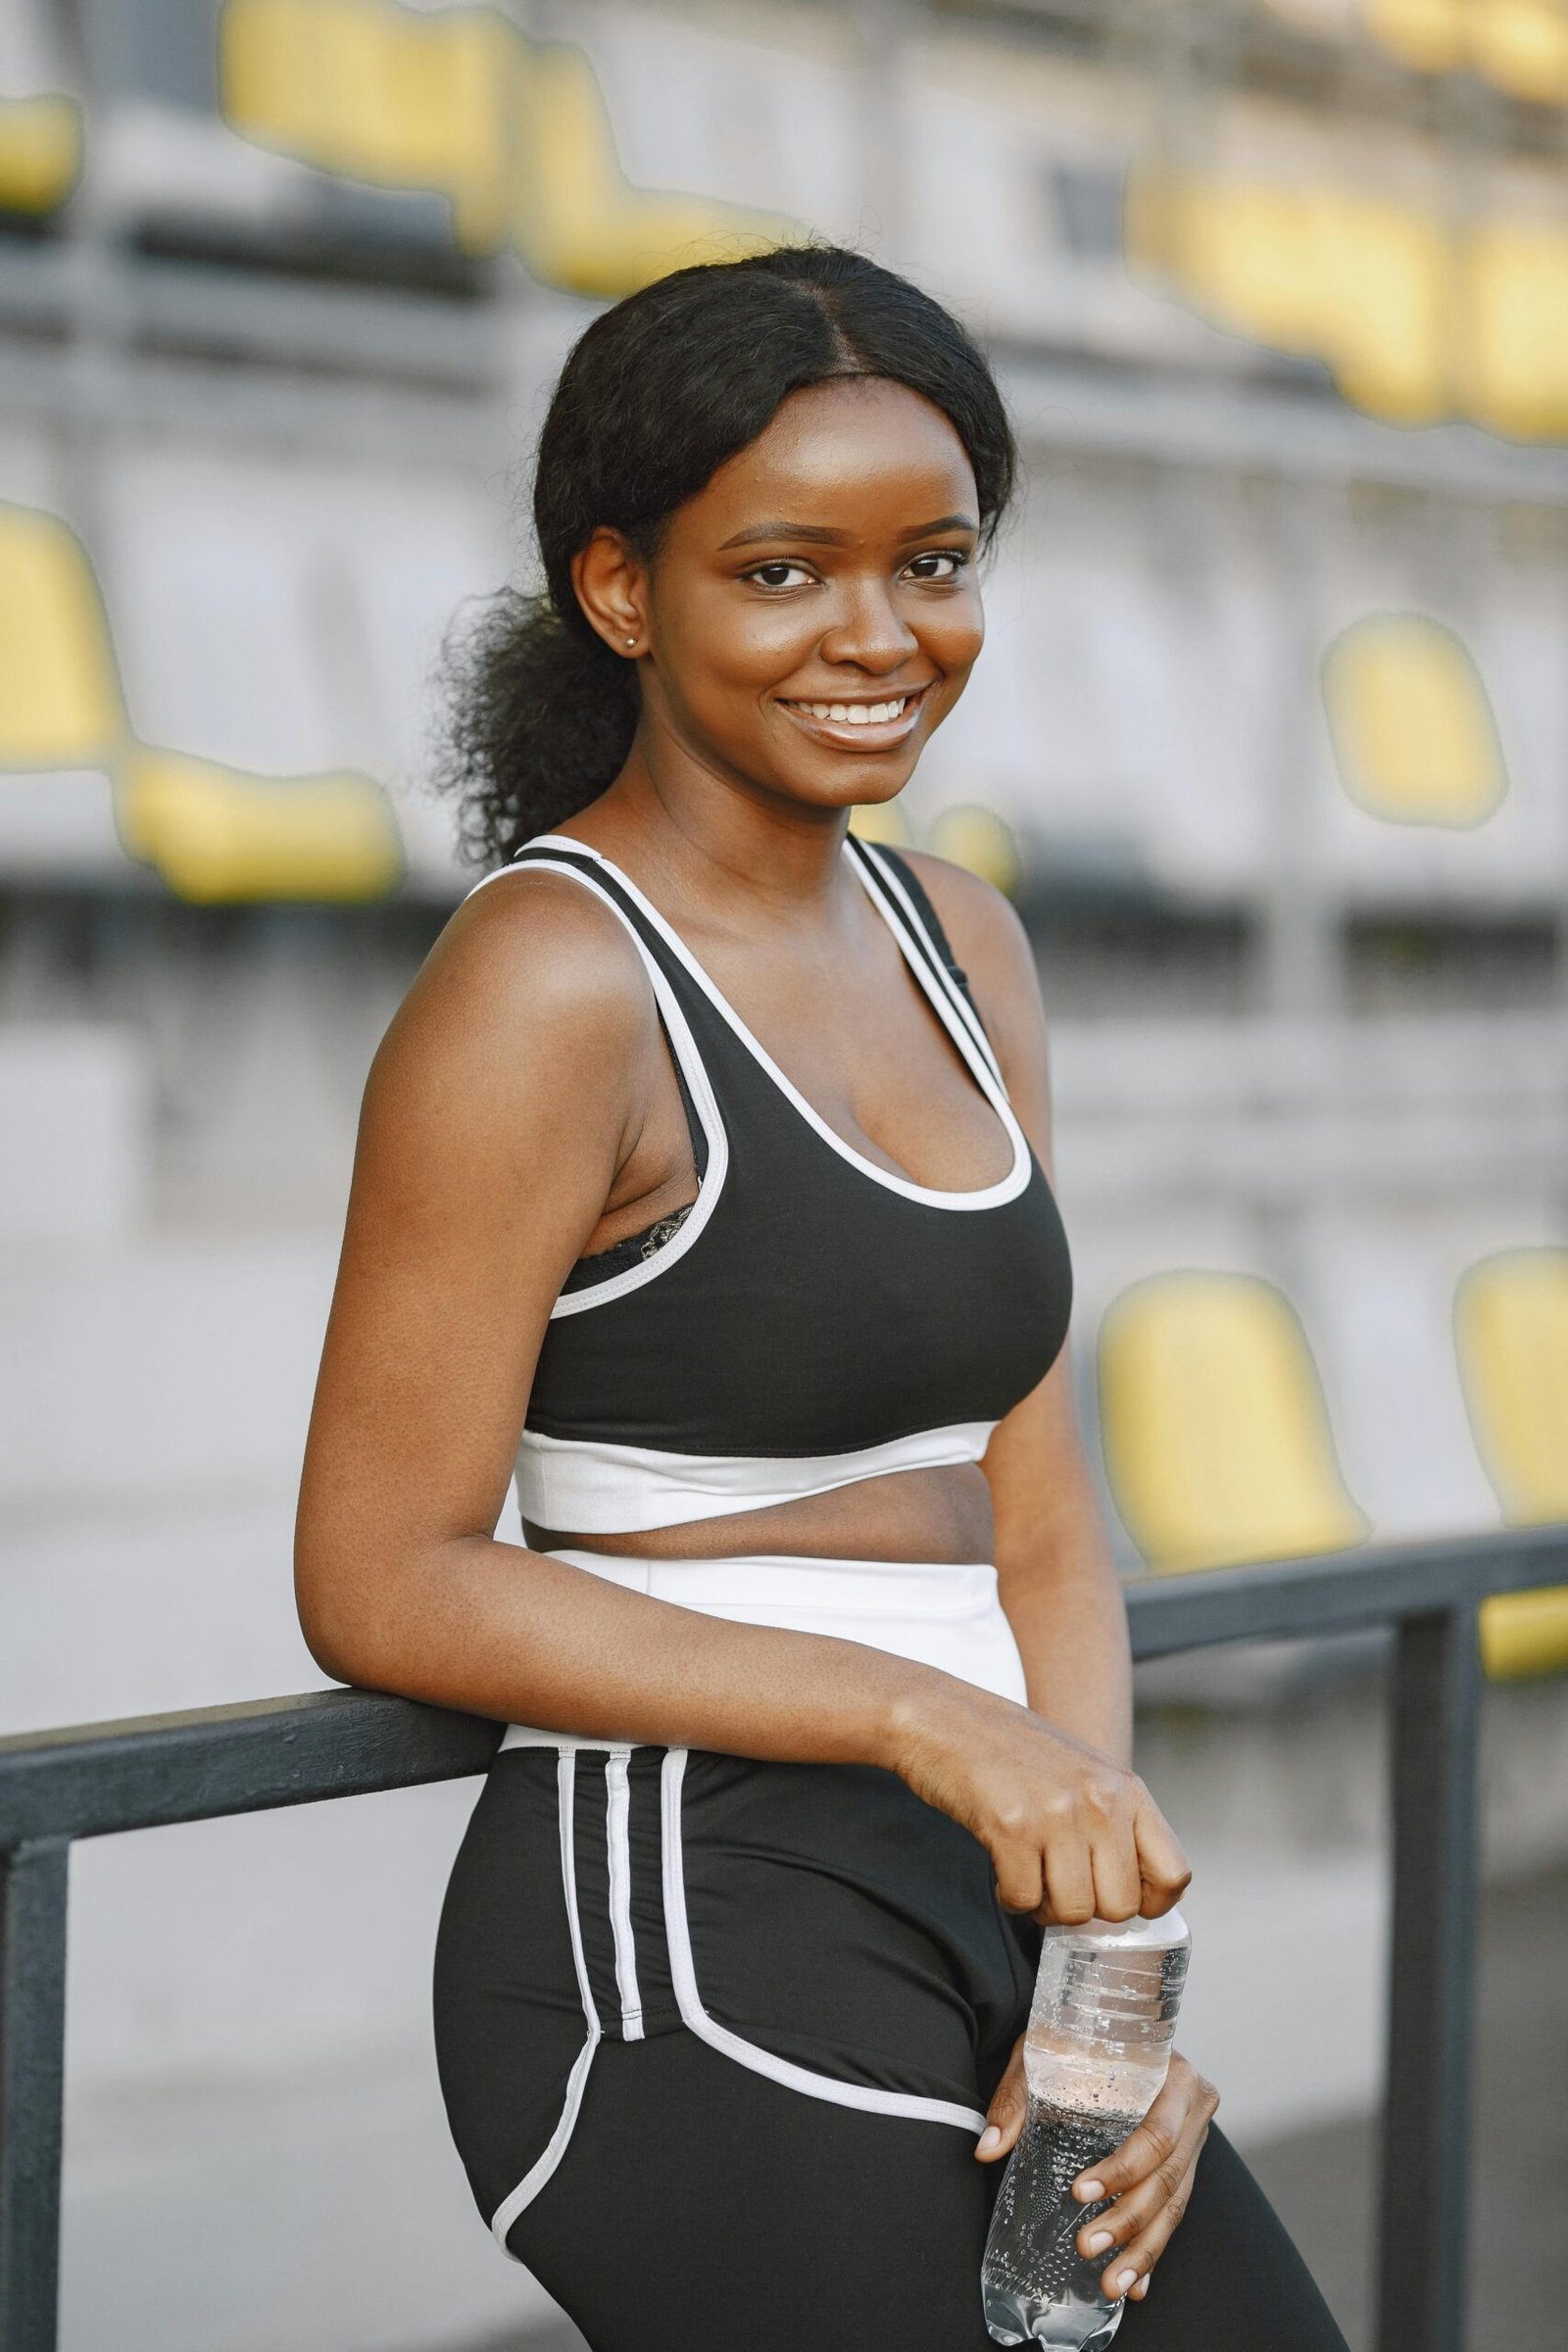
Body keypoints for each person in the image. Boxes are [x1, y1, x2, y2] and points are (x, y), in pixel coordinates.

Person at [295, 245, 1349, 2352]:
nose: (879, 637)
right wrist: (914, 1717)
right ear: (623, 589)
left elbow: (1038, 1519)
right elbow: (380, 1575)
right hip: (675, 1928)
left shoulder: (963, 942)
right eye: (783, 572)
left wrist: (1100, 1990)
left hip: (975, 1905)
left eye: (932, 561)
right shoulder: (549, 985)